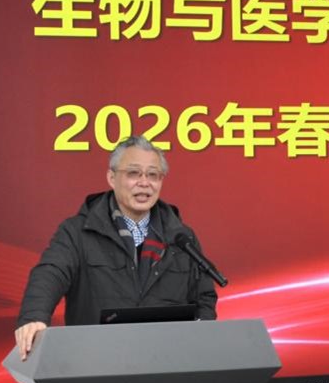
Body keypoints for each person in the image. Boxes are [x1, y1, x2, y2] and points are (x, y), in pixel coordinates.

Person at [14, 135, 218, 359]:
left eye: (153, 175)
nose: (144, 182)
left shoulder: (181, 236)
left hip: (166, 362)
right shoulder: (77, 232)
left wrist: (201, 336)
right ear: (112, 178)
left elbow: (203, 297)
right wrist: (34, 317)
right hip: (95, 362)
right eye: (133, 173)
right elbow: (50, 272)